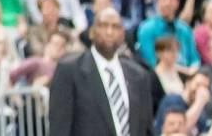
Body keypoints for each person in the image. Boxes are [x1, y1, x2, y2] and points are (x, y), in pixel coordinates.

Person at [46, 8, 155, 136]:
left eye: (115, 27)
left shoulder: (139, 75)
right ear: (92, 32)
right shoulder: (70, 70)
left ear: (122, 34)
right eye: (103, 26)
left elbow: (146, 128)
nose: (109, 32)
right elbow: (59, 127)